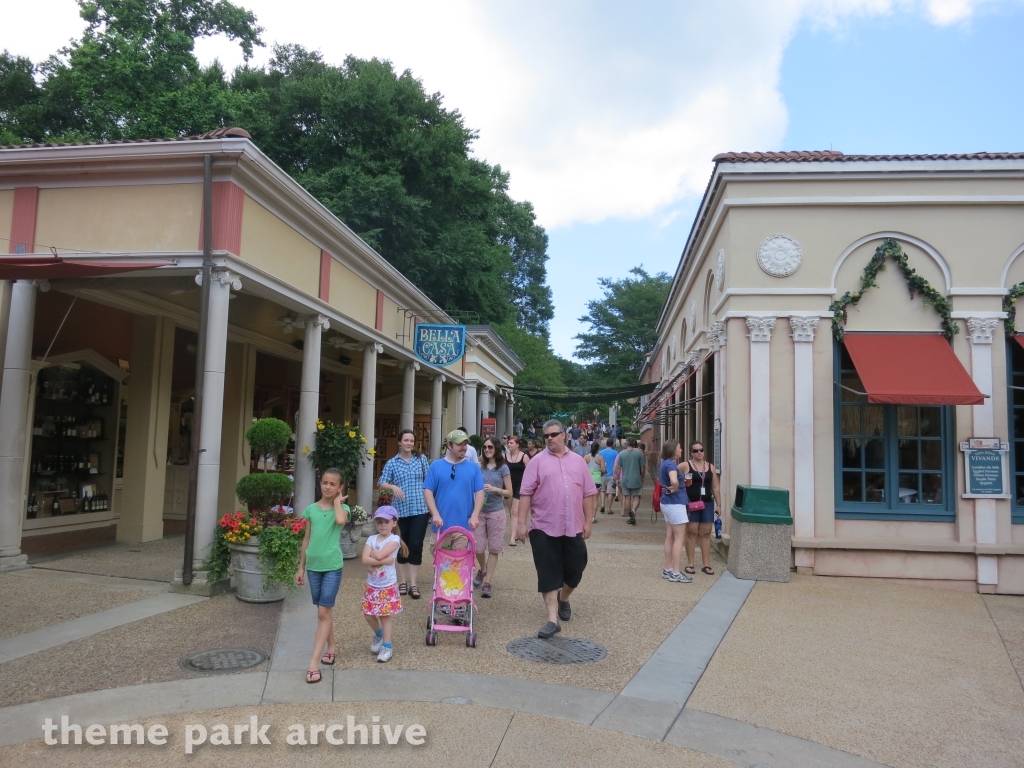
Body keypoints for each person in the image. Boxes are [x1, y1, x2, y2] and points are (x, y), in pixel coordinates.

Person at [518, 419, 596, 638]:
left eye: (553, 434)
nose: (549, 438)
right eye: (546, 436)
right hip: (544, 526)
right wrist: (521, 524)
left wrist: (588, 521)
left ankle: (564, 598)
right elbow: (525, 493)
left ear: (564, 435)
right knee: (548, 571)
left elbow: (589, 493)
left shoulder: (579, 462)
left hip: (573, 526)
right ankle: (552, 620)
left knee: (576, 569)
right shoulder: (537, 462)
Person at [294, 468, 348, 683]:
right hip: (313, 568)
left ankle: (313, 663)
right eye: (325, 482)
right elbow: (306, 540)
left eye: (332, 484)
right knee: (323, 612)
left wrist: (336, 502)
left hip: (332, 567)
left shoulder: (342, 508)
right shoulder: (310, 510)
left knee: (323, 611)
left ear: (339, 488)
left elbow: (341, 521)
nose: (327, 486)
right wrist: (300, 568)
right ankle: (332, 645)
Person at [377, 429, 430, 600]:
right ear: (399, 442)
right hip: (400, 511)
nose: (408, 443)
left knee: (416, 544)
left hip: (420, 509)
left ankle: (413, 584)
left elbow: (429, 481)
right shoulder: (392, 463)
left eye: (411, 440)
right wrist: (392, 487)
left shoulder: (421, 460)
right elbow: (381, 482)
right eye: (405, 440)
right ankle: (402, 581)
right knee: (401, 545)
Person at [361, 506, 408, 663]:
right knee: (368, 614)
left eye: (386, 522)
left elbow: (377, 554)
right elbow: (364, 559)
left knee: (384, 615)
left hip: (387, 585)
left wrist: (375, 554)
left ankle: (387, 645)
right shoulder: (371, 539)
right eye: (379, 522)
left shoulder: (394, 540)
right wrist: (385, 560)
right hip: (372, 584)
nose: (382, 525)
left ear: (394, 523)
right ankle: (379, 634)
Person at [423, 429, 484, 549]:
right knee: (441, 566)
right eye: (459, 444)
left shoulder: (474, 468)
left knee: (460, 566)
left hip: (464, 528)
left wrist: (475, 515)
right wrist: (435, 514)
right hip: (440, 526)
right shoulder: (436, 466)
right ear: (449, 445)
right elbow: (428, 491)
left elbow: (480, 492)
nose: (464, 447)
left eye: (465, 444)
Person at [474, 436, 512, 597]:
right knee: (478, 547)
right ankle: (482, 569)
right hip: (479, 511)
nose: (487, 450)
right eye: (485, 447)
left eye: (490, 447)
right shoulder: (478, 467)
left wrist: (496, 490)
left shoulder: (503, 468)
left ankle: (488, 582)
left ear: (496, 448)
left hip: (496, 511)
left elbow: (509, 492)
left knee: (495, 547)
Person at [679, 441, 721, 576]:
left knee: (706, 533)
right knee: (691, 533)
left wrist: (719, 504)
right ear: (691, 452)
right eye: (695, 450)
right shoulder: (685, 465)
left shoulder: (710, 467)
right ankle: (690, 564)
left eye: (701, 450)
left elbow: (715, 487)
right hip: (691, 503)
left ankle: (706, 564)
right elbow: (672, 477)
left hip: (707, 504)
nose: (699, 453)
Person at [658, 442, 692, 583]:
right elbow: (673, 479)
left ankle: (668, 568)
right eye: (679, 447)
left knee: (670, 536)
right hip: (675, 503)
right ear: (673, 449)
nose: (681, 449)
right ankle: (676, 572)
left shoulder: (665, 463)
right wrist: (676, 487)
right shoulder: (671, 465)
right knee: (679, 538)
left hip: (666, 502)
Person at [505, 435, 531, 546]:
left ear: (517, 445)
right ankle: (515, 532)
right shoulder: (504, 456)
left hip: (520, 487)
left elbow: (530, 473)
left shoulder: (524, 457)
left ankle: (512, 538)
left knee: (515, 511)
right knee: (511, 511)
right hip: (508, 487)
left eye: (511, 443)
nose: (509, 444)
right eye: (508, 443)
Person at [617, 438, 646, 525]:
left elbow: (618, 467)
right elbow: (642, 467)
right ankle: (633, 511)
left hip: (625, 479)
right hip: (636, 479)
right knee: (636, 497)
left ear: (626, 444)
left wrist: (617, 478)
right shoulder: (639, 454)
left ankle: (629, 515)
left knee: (627, 497)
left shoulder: (621, 454)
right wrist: (642, 476)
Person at [598, 438, 619, 515]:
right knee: (610, 492)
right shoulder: (616, 453)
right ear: (613, 444)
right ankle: (609, 508)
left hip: (602, 474)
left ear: (606, 444)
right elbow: (617, 465)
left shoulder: (601, 452)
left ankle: (602, 504)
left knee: (602, 490)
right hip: (612, 475)